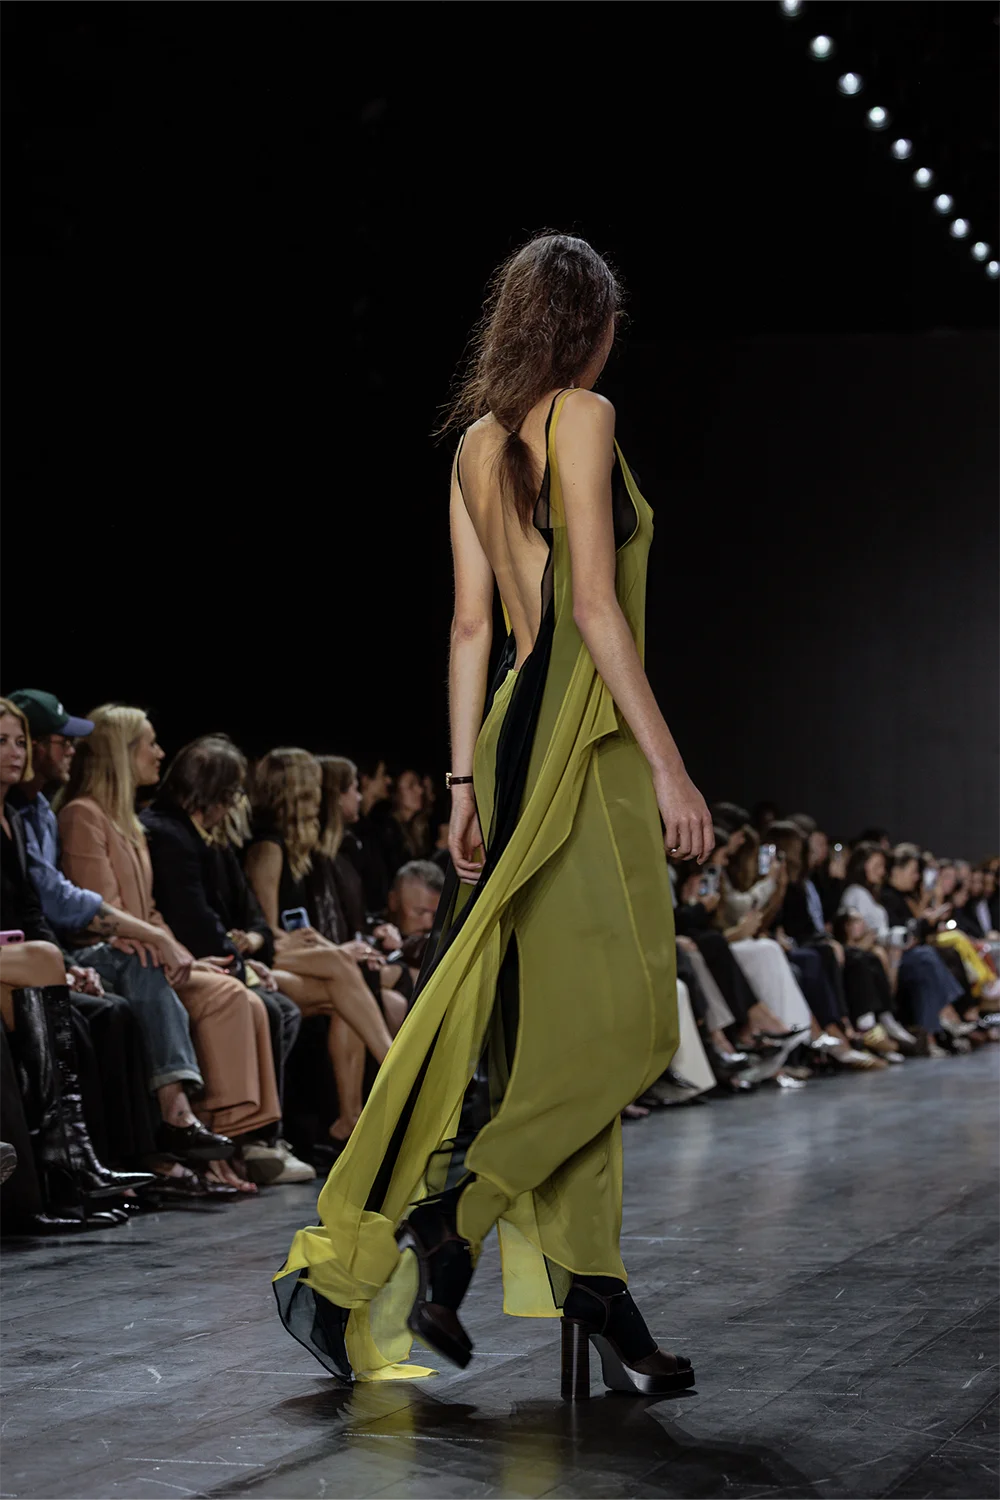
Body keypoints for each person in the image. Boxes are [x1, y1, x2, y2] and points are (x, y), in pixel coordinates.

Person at [275, 232, 714, 1397]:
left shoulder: (474, 442)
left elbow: (473, 629)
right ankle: (450, 1219)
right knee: (636, 1027)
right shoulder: (585, 415)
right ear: (591, 328)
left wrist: (465, 781)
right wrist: (670, 768)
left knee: (559, 1025)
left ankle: (593, 1286)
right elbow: (593, 609)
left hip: (518, 733)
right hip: (582, 733)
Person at [6, 688, 232, 1173]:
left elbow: (41, 905)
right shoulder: (70, 814)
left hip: (55, 951)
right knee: (135, 981)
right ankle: (152, 1140)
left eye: (19, 742)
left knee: (240, 995)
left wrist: (163, 941)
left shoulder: (33, 812)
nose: (72, 750)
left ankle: (223, 1143)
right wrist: (148, 940)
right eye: (61, 741)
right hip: (63, 951)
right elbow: (62, 901)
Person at [58, 704, 282, 1191]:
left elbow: (152, 911)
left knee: (241, 997)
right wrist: (164, 948)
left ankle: (228, 1141)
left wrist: (187, 956)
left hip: (142, 950)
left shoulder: (127, 821)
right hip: (110, 954)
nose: (161, 753)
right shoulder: (82, 816)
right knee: (229, 996)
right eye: (150, 744)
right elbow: (103, 911)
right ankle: (197, 1133)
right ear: (121, 752)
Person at [0, 698, 154, 1230]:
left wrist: (62, 964)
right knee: (45, 966)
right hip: (17, 955)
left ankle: (55, 1184)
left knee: (62, 1001)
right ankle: (66, 1169)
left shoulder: (14, 819)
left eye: (19, 741)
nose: (15, 752)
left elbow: (30, 909)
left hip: (15, 960)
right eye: (2, 741)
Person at [140, 735, 315, 1185]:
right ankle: (242, 1138)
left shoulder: (207, 839)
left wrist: (251, 948)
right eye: (233, 792)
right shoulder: (169, 834)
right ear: (212, 792)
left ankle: (253, 1138)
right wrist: (242, 963)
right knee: (272, 1008)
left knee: (279, 1006)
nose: (236, 802)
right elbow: (194, 923)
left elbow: (251, 915)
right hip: (186, 962)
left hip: (214, 958)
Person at [244, 747, 395, 1154]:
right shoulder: (268, 847)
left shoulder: (298, 852)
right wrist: (309, 943)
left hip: (283, 956)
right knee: (337, 964)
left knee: (342, 992)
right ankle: (396, 1065)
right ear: (295, 791)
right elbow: (265, 931)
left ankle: (350, 1118)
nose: (319, 798)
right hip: (257, 959)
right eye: (312, 787)